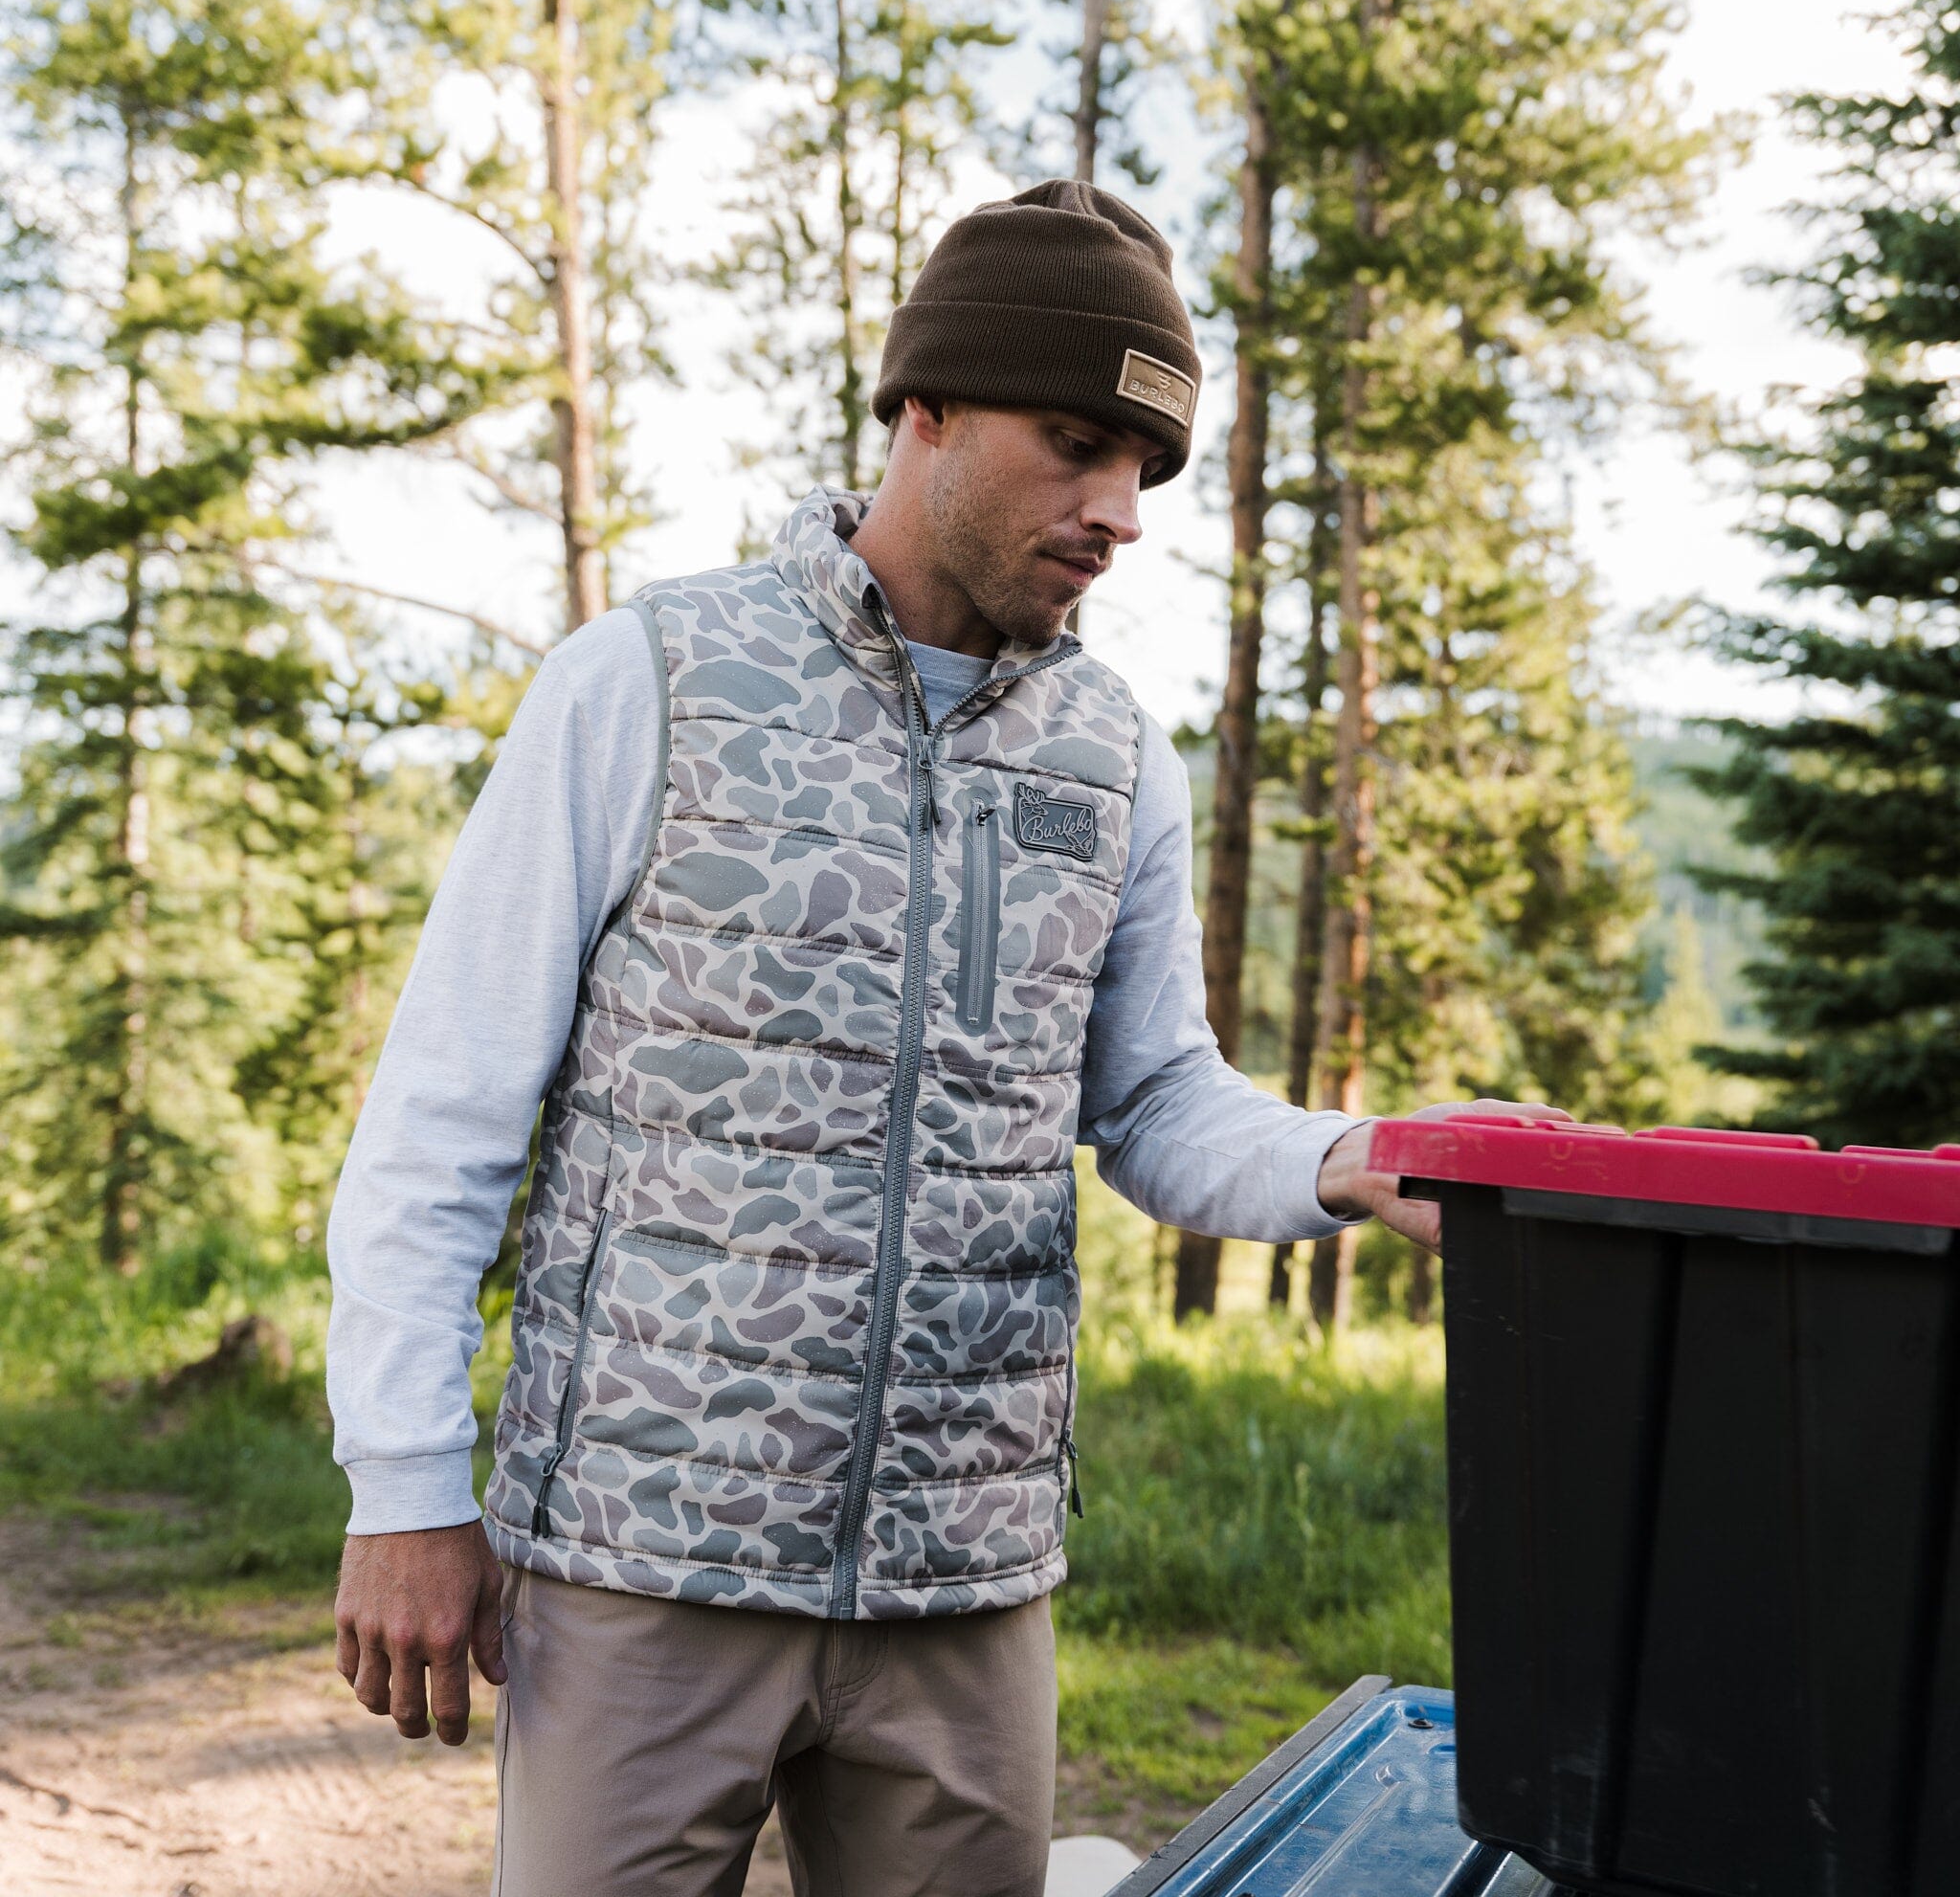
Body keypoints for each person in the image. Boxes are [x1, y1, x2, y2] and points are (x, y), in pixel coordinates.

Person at [326, 179, 1562, 1897]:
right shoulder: (648, 681)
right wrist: (404, 1484)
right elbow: (445, 1110)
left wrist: (1352, 1159)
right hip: (642, 1560)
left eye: (1148, 470)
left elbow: (1154, 1100)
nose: (1118, 511)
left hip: (964, 1589)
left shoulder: (1115, 760)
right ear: (927, 409)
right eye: (1077, 445)